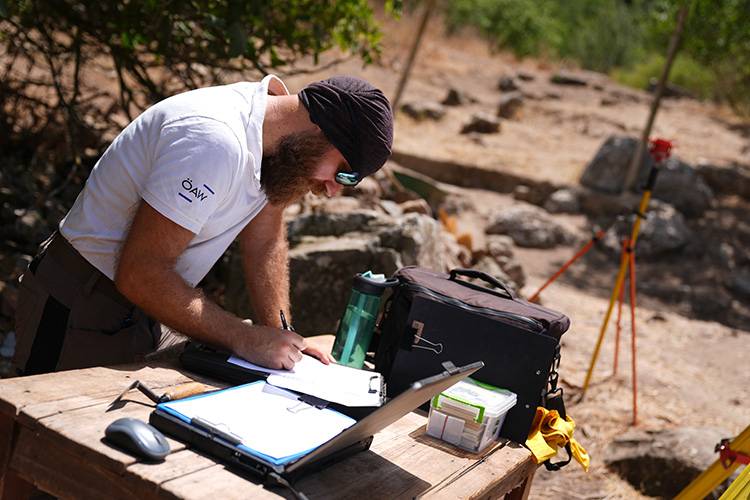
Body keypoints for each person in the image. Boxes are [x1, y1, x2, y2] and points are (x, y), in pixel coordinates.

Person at [12, 74, 394, 375]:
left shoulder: (273, 141)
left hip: (146, 305)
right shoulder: (215, 142)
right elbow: (140, 272)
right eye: (343, 174)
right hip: (82, 299)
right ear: (321, 129)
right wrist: (243, 337)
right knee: (29, 450)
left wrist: (279, 334)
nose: (331, 191)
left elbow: (266, 239)